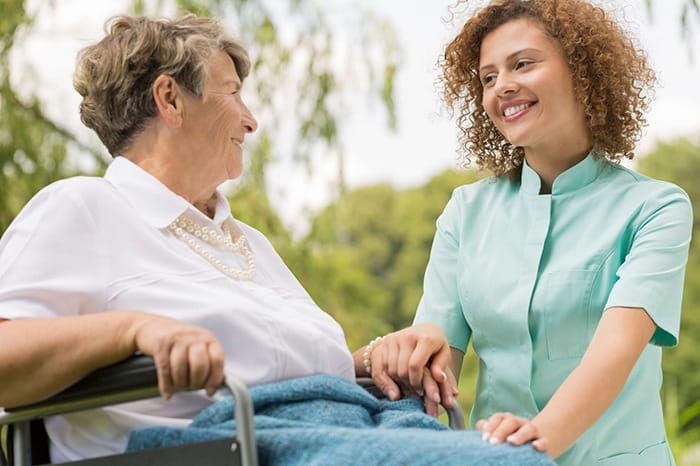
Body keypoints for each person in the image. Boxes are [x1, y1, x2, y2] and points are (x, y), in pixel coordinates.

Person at [0, 13, 555, 466]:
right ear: (169, 99)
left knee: (526, 455)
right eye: (233, 94)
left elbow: (304, 365)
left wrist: (378, 357)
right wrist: (132, 329)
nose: (250, 120)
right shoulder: (84, 208)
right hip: (233, 440)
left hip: (350, 425)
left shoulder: (246, 242)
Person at [366, 0, 693, 465]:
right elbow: (437, 359)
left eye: (522, 64)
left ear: (582, 71)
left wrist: (535, 441)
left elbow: (615, 353)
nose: (504, 86)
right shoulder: (465, 212)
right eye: (488, 77)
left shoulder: (655, 208)